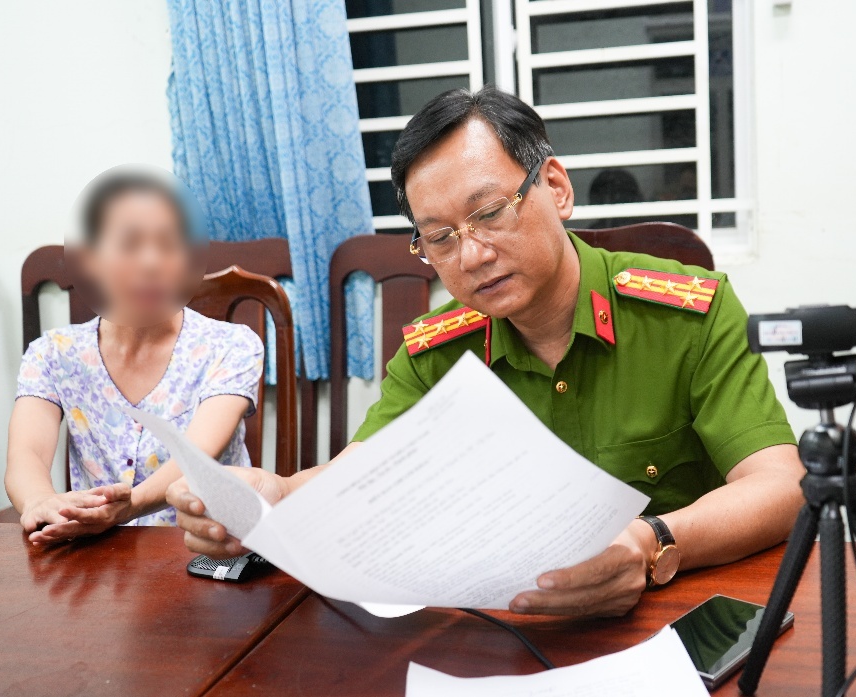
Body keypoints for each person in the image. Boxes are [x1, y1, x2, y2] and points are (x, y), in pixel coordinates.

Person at [168, 87, 804, 618]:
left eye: (491, 213)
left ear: (555, 187)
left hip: (675, 617)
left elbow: (781, 485)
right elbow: (360, 474)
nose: (471, 255)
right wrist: (277, 496)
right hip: (503, 632)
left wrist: (653, 543)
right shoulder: (436, 352)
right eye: (440, 238)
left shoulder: (688, 314)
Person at [7, 168, 264, 545]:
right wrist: (40, 502)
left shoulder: (232, 346)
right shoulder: (52, 354)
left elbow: (196, 458)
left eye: (169, 245)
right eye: (128, 245)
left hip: (211, 548)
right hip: (100, 555)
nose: (151, 263)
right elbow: (27, 453)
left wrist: (127, 507)